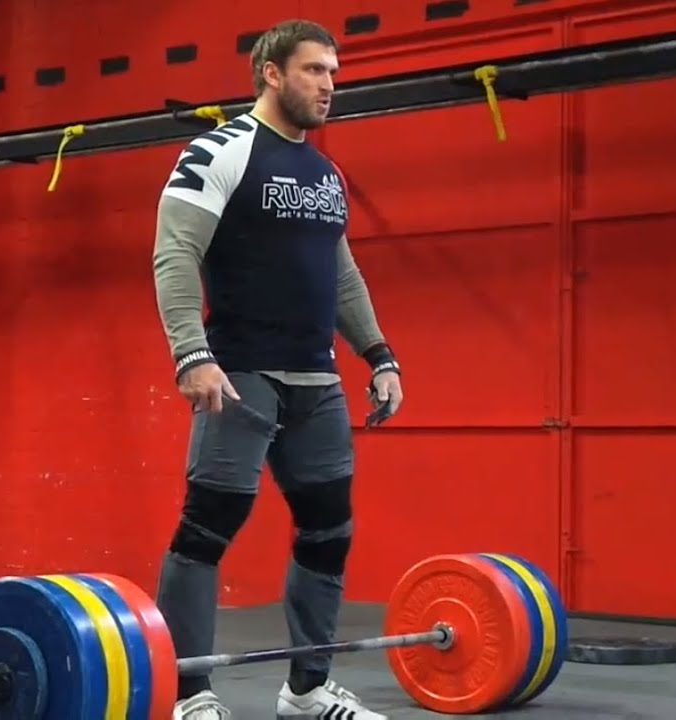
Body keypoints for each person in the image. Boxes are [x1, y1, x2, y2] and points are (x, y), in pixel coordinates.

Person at [150, 18, 404, 720]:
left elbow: (341, 272)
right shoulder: (218, 151)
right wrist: (191, 354)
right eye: (315, 71)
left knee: (330, 530)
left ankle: (308, 688)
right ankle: (190, 694)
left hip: (316, 381)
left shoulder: (325, 173)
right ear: (271, 72)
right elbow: (174, 253)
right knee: (208, 530)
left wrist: (378, 354)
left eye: (333, 73)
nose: (330, 85)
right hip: (241, 375)